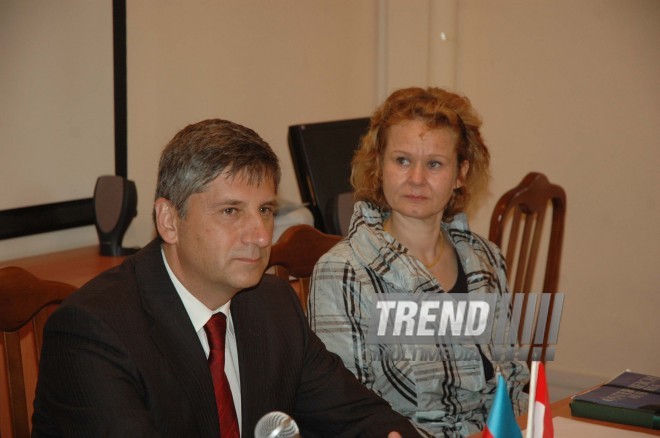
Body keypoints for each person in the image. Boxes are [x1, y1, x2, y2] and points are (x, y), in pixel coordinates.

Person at [32, 119, 423, 437]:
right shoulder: (95, 330)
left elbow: (358, 416)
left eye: (266, 209)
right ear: (169, 220)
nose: (260, 235)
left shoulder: (273, 304)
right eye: (231, 212)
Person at [308, 87, 529, 437]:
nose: (416, 179)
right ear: (379, 165)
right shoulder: (345, 272)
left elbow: (513, 381)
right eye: (402, 160)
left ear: (460, 174)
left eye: (435, 164)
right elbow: (351, 414)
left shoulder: (485, 259)